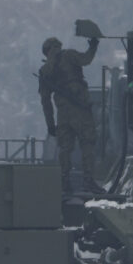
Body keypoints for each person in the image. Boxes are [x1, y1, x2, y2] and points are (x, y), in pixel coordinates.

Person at [39, 35, 103, 194]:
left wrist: (50, 124)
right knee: (87, 143)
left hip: (63, 115)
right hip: (80, 110)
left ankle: (64, 181)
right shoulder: (68, 55)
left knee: (65, 148)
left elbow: (45, 102)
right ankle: (88, 181)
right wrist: (93, 45)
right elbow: (86, 59)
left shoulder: (45, 70)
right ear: (58, 46)